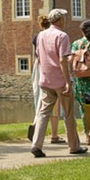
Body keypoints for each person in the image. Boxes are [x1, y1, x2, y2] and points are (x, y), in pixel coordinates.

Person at [30, 8, 88, 157]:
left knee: (43, 113)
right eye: (64, 18)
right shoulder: (62, 36)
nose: (65, 20)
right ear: (60, 20)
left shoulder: (41, 35)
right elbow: (63, 60)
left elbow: (39, 55)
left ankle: (36, 144)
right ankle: (74, 146)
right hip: (60, 82)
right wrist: (68, 81)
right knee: (68, 114)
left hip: (45, 80)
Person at [29, 15, 63, 143]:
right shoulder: (54, 35)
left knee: (40, 100)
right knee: (54, 103)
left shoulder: (37, 37)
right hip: (50, 69)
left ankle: (36, 127)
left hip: (38, 69)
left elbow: (35, 55)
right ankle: (54, 135)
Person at [70, 19, 90, 144]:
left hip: (79, 82)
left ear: (81, 31)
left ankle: (88, 135)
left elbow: (70, 61)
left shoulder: (76, 44)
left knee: (83, 109)